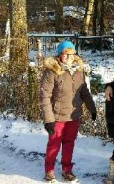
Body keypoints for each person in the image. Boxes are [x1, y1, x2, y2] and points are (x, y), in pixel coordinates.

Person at [39, 40, 97, 183]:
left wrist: (92, 108)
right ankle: (49, 171)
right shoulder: (52, 72)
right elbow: (44, 95)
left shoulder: (78, 71)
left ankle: (67, 170)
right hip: (57, 116)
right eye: (65, 54)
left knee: (69, 143)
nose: (68, 56)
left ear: (74, 54)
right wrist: (49, 120)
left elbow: (84, 92)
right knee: (54, 145)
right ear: (59, 55)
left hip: (73, 116)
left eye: (71, 53)